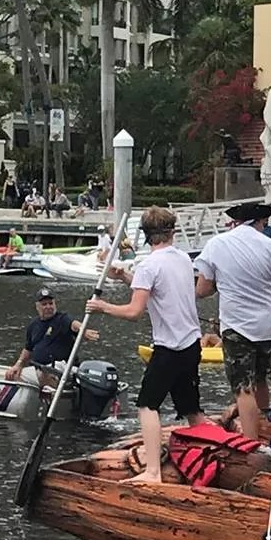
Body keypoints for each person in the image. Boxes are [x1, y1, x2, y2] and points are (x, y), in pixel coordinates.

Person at [87, 205, 204, 483]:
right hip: (191, 344)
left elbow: (134, 312)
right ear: (171, 233)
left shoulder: (149, 265)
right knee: (192, 409)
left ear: (146, 235)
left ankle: (152, 472)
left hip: (170, 347)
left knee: (147, 405)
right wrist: (125, 277)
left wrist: (102, 307)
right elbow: (158, 290)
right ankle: (211, 456)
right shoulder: (183, 259)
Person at [194, 201, 271, 443]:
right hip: (268, 324)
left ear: (235, 221)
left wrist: (223, 283)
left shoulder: (217, 244)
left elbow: (202, 290)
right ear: (260, 222)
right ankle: (267, 429)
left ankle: (251, 443)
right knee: (261, 379)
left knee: (243, 387)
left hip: (237, 323)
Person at [5, 287, 94, 384]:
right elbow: (28, 349)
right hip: (39, 368)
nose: (48, 307)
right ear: (37, 306)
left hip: (63, 368)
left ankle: (51, 391)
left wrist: (83, 330)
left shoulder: (62, 319)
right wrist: (18, 365)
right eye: (44, 304)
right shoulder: (33, 325)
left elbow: (74, 324)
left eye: (50, 303)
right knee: (12, 375)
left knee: (45, 372)